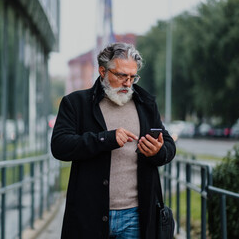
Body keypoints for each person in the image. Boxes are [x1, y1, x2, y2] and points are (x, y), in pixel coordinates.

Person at [51, 42, 176, 239]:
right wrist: (105, 139)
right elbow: (60, 146)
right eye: (121, 76)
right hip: (89, 215)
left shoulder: (146, 103)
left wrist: (158, 151)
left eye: (132, 77)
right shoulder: (75, 103)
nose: (128, 83)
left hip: (136, 215)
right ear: (102, 71)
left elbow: (168, 145)